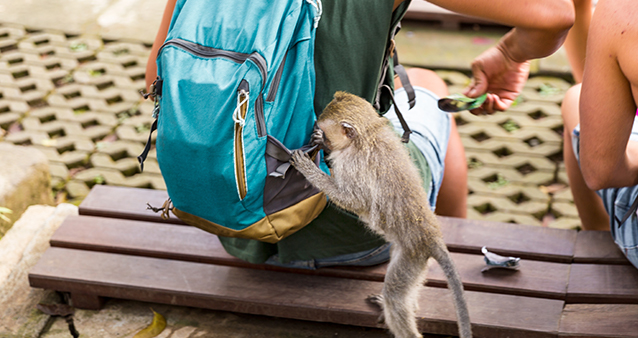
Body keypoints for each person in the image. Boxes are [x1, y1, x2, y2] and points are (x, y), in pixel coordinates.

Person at [146, 0, 574, 268]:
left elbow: (156, 80)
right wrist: (509, 52)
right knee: (432, 90)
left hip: (233, 226)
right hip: (353, 241)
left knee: (417, 84)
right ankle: (443, 252)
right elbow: (555, 15)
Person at [560, 0, 638, 269]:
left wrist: (511, 51)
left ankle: (599, 247)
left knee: (576, 98)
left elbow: (602, 172)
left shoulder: (623, 10)